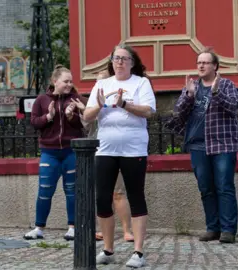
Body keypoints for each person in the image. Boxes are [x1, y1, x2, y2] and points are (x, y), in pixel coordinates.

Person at [83, 43, 156, 267]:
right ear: (111, 62)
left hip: (134, 149)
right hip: (106, 149)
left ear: (132, 63)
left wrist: (125, 104)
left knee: (135, 196)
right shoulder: (102, 84)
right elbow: (87, 116)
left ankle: (138, 252)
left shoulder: (141, 83)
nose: (120, 62)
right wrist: (99, 106)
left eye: (124, 58)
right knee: (102, 198)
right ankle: (108, 249)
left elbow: (149, 111)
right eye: (116, 58)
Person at [166, 48, 238, 244]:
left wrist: (216, 93)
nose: (200, 65)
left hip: (222, 143)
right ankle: (212, 228)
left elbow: (233, 108)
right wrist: (189, 95)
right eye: (199, 62)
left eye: (205, 62)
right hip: (198, 145)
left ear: (215, 66)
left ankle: (228, 230)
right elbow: (179, 114)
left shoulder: (226, 85)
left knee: (224, 187)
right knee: (206, 188)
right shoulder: (192, 86)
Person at [25, 64, 87, 241]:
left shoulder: (76, 99)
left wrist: (71, 116)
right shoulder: (41, 100)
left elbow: (84, 124)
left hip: (70, 152)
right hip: (49, 152)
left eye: (71, 81)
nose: (69, 84)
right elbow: (35, 123)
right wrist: (49, 117)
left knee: (72, 191)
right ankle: (38, 228)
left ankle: (72, 227)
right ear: (55, 81)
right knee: (44, 190)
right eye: (65, 81)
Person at [87, 69, 134, 243]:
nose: (98, 85)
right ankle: (102, 230)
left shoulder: (119, 98)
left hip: (117, 150)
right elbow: (86, 122)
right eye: (96, 82)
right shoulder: (94, 100)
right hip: (99, 151)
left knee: (118, 192)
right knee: (101, 194)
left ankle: (127, 230)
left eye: (102, 81)